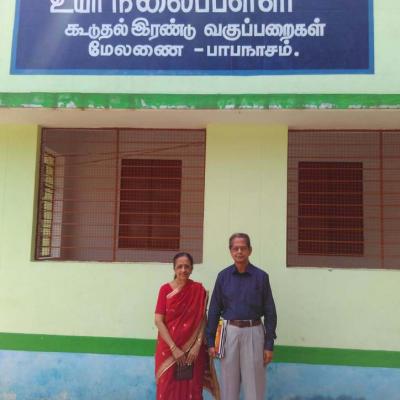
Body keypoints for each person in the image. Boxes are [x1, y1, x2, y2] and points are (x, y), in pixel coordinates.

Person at [206, 233, 277, 400]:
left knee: (255, 385)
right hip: (229, 333)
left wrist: (269, 344)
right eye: (235, 248)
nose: (239, 252)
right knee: (228, 386)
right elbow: (215, 309)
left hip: (254, 333)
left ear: (250, 250)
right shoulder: (223, 277)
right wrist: (210, 341)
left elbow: (270, 311)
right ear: (230, 251)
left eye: (243, 248)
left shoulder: (261, 277)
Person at [154, 252, 220, 400]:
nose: (183, 270)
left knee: (192, 389)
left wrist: (197, 345)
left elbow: (203, 319)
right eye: (180, 266)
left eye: (187, 267)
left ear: (191, 269)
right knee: (166, 390)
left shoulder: (198, 290)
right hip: (168, 351)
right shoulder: (165, 290)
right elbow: (158, 320)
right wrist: (174, 348)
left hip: (193, 353)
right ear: (174, 269)